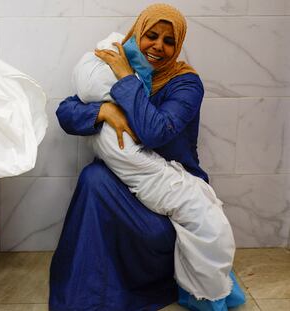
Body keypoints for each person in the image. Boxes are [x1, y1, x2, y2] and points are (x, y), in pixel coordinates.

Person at [50, 4, 245, 311]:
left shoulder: (185, 83)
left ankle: (159, 283)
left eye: (169, 41)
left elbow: (156, 131)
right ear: (137, 34)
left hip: (171, 187)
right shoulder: (113, 71)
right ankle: (86, 291)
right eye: (151, 36)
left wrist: (127, 78)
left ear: (178, 45)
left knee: (155, 231)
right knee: (94, 177)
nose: (158, 46)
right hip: (127, 186)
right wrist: (104, 110)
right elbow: (65, 112)